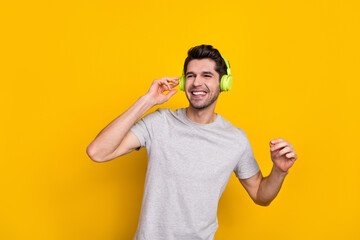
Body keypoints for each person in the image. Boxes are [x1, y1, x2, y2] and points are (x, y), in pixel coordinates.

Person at [86, 44, 298, 240]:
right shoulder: (159, 123)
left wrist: (279, 171)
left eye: (207, 75)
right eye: (191, 75)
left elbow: (261, 195)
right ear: (183, 81)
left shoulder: (236, 139)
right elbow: (98, 152)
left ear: (224, 83)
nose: (197, 82)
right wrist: (148, 100)